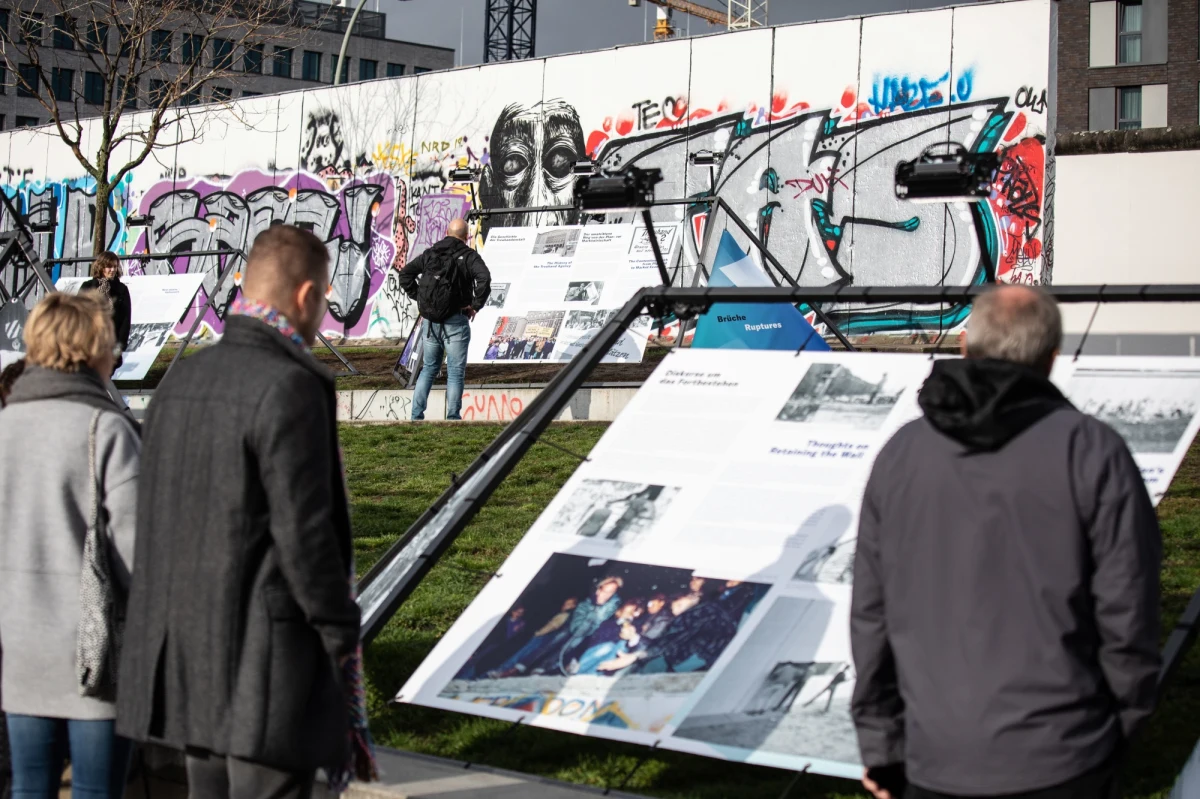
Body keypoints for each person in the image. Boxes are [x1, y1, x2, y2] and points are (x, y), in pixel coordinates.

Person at [851, 285, 1161, 799]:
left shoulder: (901, 455)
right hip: (1063, 754)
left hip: (940, 752)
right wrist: (1121, 727)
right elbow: (1130, 613)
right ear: (1052, 358)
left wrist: (882, 746)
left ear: (965, 348)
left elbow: (871, 614)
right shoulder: (1091, 452)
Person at [116, 226, 374, 799]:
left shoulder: (180, 379)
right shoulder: (291, 385)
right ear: (306, 296)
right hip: (264, 669)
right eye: (324, 299)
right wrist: (339, 628)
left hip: (184, 658)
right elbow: (306, 535)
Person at [0, 292, 140, 798]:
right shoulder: (107, 428)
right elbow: (136, 556)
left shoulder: (4, 426)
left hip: (18, 648)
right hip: (97, 655)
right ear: (93, 349)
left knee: (28, 787)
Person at [395, 218, 490, 421]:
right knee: (455, 371)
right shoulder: (469, 256)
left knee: (429, 368)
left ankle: (416, 416)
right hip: (456, 320)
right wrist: (475, 305)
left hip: (431, 322)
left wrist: (422, 299)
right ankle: (453, 417)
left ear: (446, 232)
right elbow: (484, 278)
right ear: (467, 237)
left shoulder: (431, 253)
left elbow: (405, 275)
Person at [80, 252, 132, 374]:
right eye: (109, 266)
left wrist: (119, 348)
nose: (112, 270)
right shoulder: (88, 287)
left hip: (110, 345)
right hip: (90, 344)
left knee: (104, 380)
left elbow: (125, 320)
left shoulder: (121, 289)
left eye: (115, 266)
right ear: (101, 267)